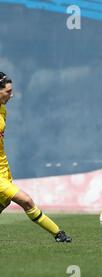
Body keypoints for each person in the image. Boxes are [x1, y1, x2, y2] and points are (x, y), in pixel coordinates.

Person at [0, 72, 71, 242]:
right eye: (8, 91)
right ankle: (58, 234)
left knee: (4, 203)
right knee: (26, 201)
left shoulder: (3, 110)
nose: (12, 95)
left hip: (3, 167)